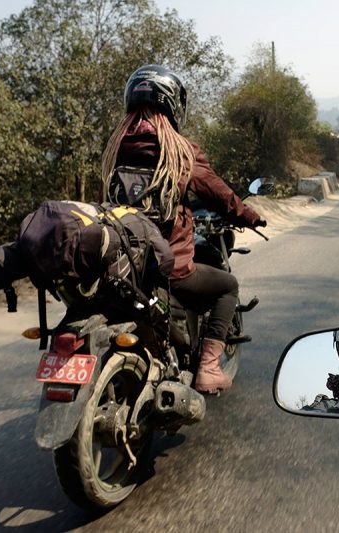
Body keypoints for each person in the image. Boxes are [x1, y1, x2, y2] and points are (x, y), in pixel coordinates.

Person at [100, 64, 266, 394]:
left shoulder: (114, 148)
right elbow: (219, 194)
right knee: (227, 287)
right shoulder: (179, 151)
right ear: (174, 105)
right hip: (167, 267)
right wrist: (249, 216)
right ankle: (207, 368)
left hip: (118, 265)